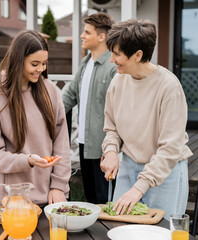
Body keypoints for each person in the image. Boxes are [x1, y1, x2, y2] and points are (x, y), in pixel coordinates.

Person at [100, 19, 193, 220]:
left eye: (117, 54)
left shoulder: (169, 87)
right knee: (120, 229)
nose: (111, 60)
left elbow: (170, 148)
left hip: (165, 173)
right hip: (128, 166)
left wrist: (140, 187)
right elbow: (112, 128)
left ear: (138, 55)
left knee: (162, 232)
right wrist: (110, 152)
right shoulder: (118, 81)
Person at [0, 30, 71, 206]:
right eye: (34, 64)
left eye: (44, 63)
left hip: (50, 197)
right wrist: (27, 160)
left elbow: (62, 142)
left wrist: (59, 185)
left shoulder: (50, 91)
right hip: (11, 200)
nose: (41, 69)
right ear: (18, 60)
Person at [62, 12, 117, 204]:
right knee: (91, 199)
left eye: (87, 32)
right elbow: (68, 96)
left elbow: (119, 111)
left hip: (104, 148)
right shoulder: (86, 64)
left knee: (106, 201)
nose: (81, 35)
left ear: (101, 37)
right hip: (84, 145)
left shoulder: (113, 67)